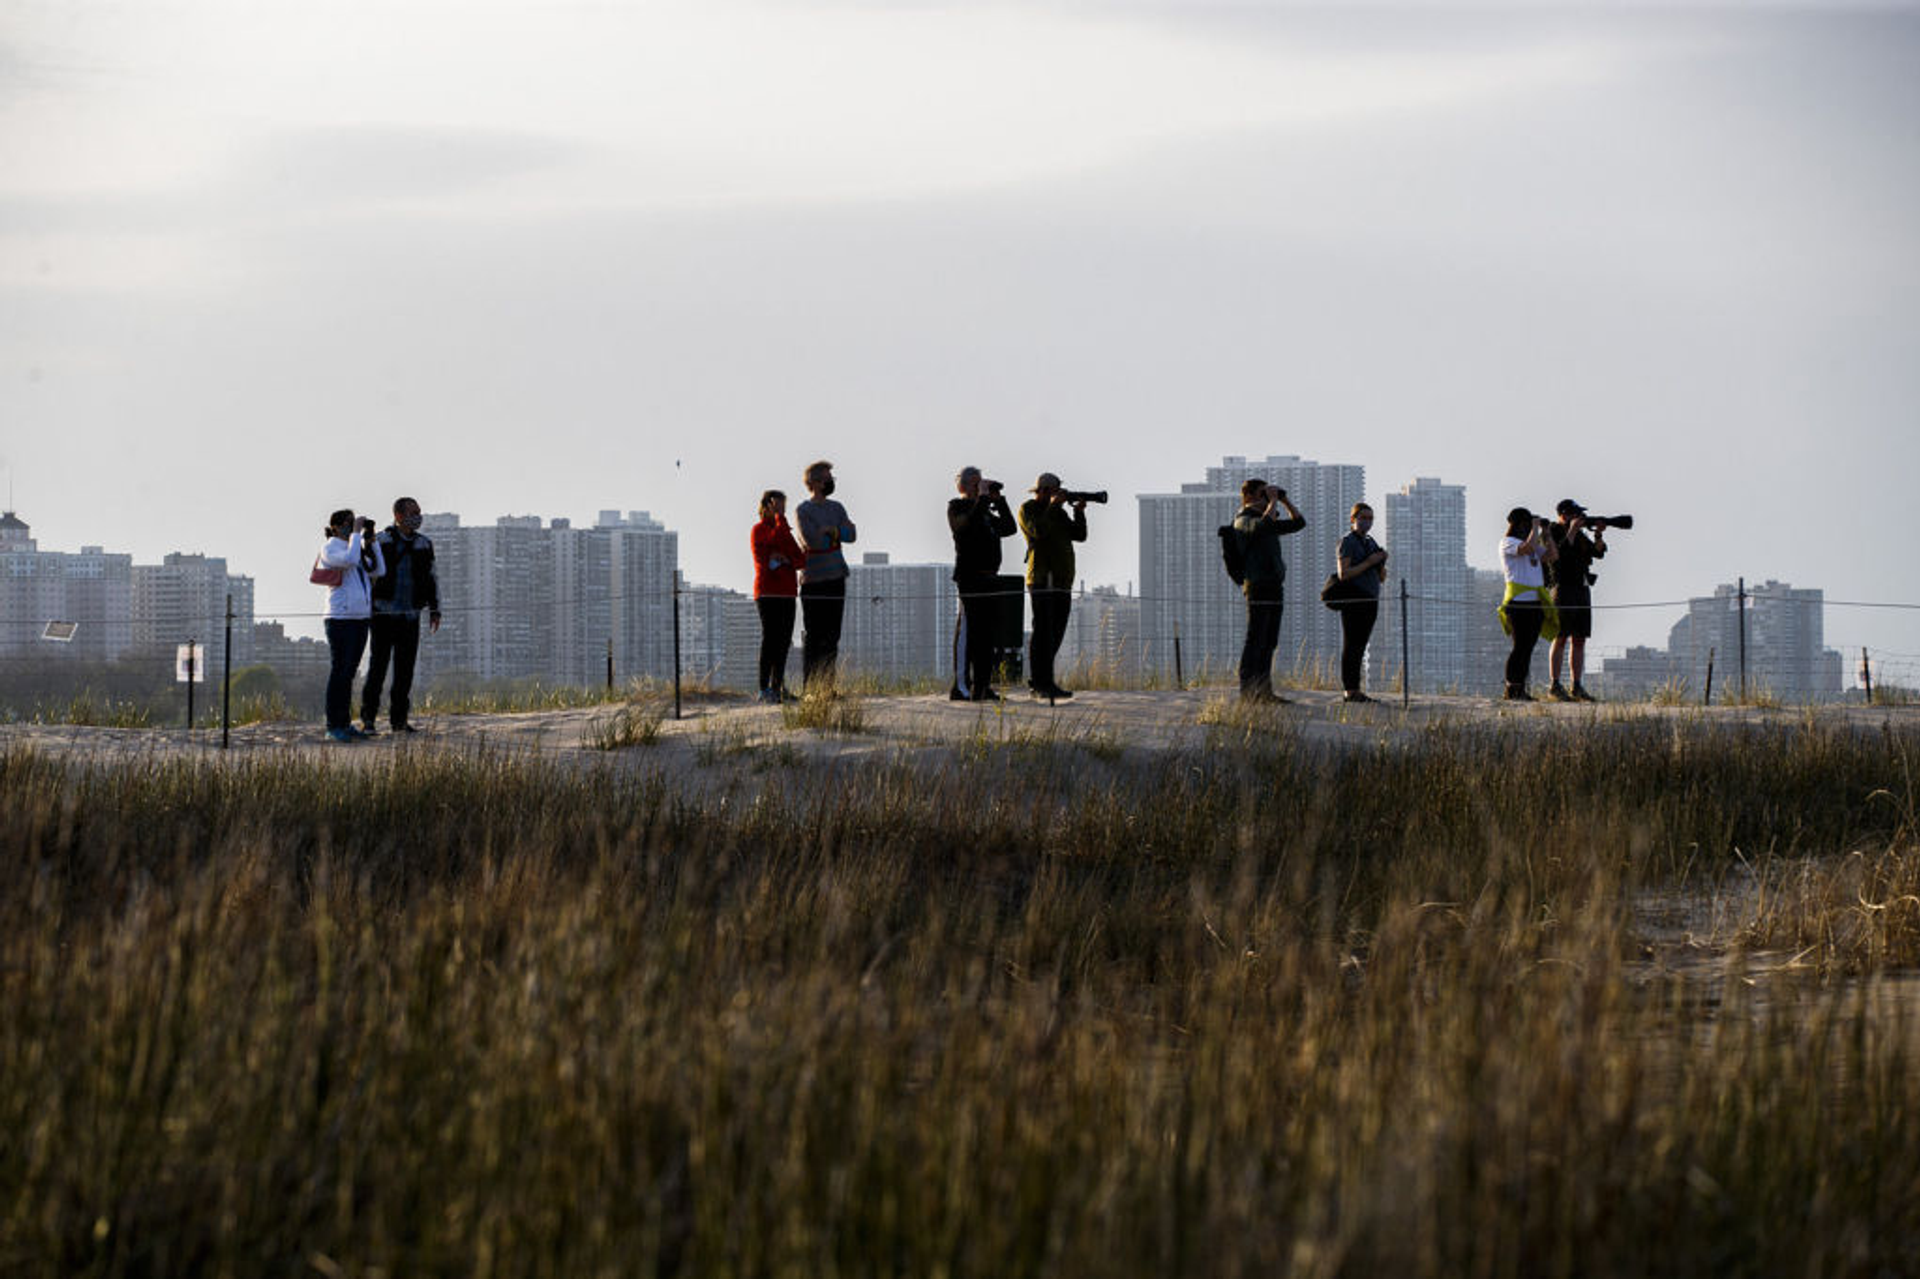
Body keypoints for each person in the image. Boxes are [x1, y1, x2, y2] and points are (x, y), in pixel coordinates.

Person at [362, 497, 442, 734]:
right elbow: (368, 572)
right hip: (383, 615)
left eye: (419, 512)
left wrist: (435, 609)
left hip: (410, 615)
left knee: (405, 671)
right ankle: (368, 720)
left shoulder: (424, 544)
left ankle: (399, 721)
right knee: (377, 668)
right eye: (412, 512)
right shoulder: (382, 540)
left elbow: (432, 578)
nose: (417, 516)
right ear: (398, 515)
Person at [948, 465, 1017, 702]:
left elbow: (1009, 528)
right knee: (969, 632)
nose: (981, 487)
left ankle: (982, 685)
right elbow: (965, 527)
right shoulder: (957, 507)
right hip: (970, 578)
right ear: (964, 486)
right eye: (976, 483)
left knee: (987, 637)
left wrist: (999, 501)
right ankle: (961, 686)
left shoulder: (985, 511)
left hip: (991, 578)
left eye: (982, 483)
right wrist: (983, 500)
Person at [316, 508, 386, 742]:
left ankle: (344, 723)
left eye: (352, 523)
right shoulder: (331, 548)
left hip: (360, 619)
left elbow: (379, 569)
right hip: (339, 619)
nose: (350, 526)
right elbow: (351, 560)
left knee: (349, 674)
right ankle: (333, 725)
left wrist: (371, 540)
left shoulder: (354, 546)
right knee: (339, 672)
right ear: (335, 526)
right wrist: (356, 534)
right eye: (347, 523)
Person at [1017, 473, 1088, 701]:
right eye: (1055, 491)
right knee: (1043, 633)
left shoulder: (1059, 513)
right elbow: (1039, 531)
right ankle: (1041, 682)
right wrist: (1053, 507)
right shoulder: (1028, 509)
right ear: (1045, 490)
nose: (1059, 495)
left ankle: (1044, 681)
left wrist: (1079, 512)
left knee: (1056, 632)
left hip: (1061, 581)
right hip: (1041, 580)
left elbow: (1079, 535)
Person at [1233, 478, 1306, 702]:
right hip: (1257, 585)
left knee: (1269, 640)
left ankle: (1264, 691)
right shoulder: (1243, 520)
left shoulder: (1266, 518)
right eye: (1262, 493)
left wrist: (1284, 500)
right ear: (1249, 497)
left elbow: (1299, 523)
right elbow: (1263, 526)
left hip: (1274, 585)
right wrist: (1272, 501)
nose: (1266, 497)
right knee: (1255, 639)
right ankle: (1248, 690)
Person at [794, 460, 856, 693]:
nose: (831, 483)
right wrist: (835, 534)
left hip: (836, 577)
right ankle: (811, 688)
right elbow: (812, 541)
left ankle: (827, 688)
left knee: (833, 636)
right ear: (815, 483)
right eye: (827, 479)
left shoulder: (837, 507)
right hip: (813, 581)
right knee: (814, 636)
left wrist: (833, 532)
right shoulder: (803, 510)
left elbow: (852, 534)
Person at [1546, 498, 1607, 702]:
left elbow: (1598, 553)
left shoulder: (1581, 536)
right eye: (1575, 514)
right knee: (1561, 636)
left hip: (1581, 588)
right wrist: (1571, 530)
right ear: (1564, 514)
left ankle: (1576, 684)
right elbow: (1558, 554)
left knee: (1579, 638)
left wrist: (1598, 534)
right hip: (1562, 588)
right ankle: (1554, 683)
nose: (1579, 518)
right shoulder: (1553, 530)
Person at [1497, 507, 1559, 702]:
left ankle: (1520, 687)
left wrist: (1546, 534)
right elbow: (1528, 549)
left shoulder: (1530, 542)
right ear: (1518, 524)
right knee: (1519, 647)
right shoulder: (1508, 543)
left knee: (1528, 647)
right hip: (1517, 603)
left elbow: (1552, 556)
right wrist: (1534, 526)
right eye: (1525, 524)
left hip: (1535, 603)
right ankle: (1511, 687)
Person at [750, 489, 806, 704]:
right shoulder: (758, 530)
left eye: (783, 508)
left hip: (788, 593)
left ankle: (778, 686)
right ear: (767, 506)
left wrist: (784, 559)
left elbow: (800, 560)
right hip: (767, 592)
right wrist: (779, 522)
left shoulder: (784, 531)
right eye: (777, 507)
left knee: (784, 642)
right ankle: (764, 689)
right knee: (770, 640)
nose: (781, 512)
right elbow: (766, 560)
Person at [1334, 502, 1388, 703]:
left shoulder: (1370, 542)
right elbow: (1344, 573)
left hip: (1370, 599)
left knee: (1361, 645)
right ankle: (1350, 690)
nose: (1367, 522)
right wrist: (1370, 562)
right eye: (1363, 518)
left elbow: (1381, 577)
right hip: (1353, 598)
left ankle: (1356, 688)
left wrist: (1381, 561)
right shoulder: (1348, 542)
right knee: (1352, 645)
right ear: (1353, 519)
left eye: (1370, 518)